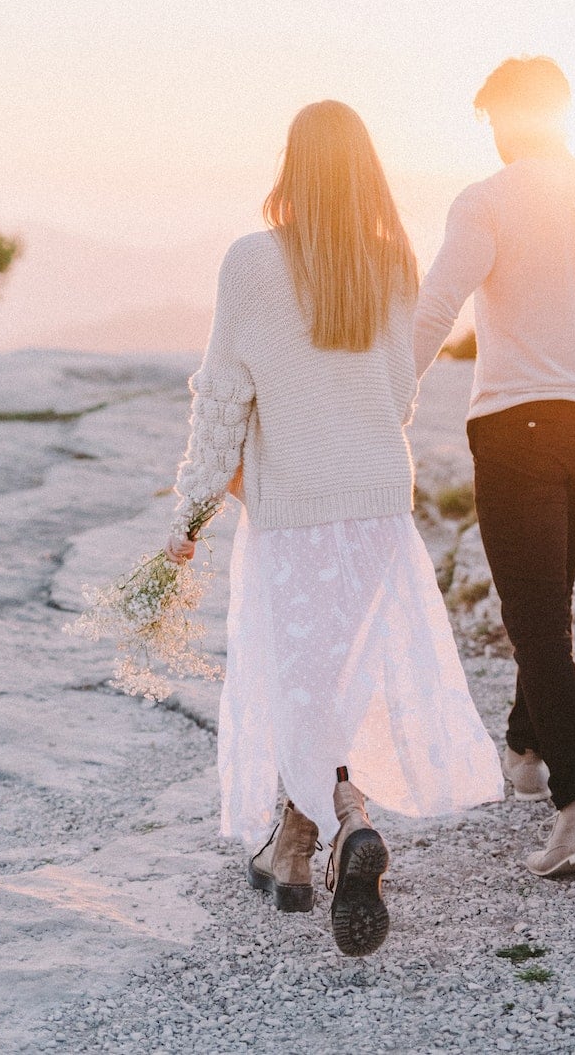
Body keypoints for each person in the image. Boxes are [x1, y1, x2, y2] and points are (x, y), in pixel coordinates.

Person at [166, 100, 502, 955]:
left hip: (297, 512)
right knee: (331, 682)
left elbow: (223, 397)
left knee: (297, 681)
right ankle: (291, 853)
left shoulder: (251, 262)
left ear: (292, 166)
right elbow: (395, 396)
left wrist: (191, 513)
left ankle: (346, 820)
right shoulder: (390, 263)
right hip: (377, 507)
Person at [413, 57, 575, 879]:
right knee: (547, 602)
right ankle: (525, 751)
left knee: (535, 619)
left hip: (516, 429)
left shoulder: (487, 200)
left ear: (501, 117)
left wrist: (387, 401)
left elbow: (436, 306)